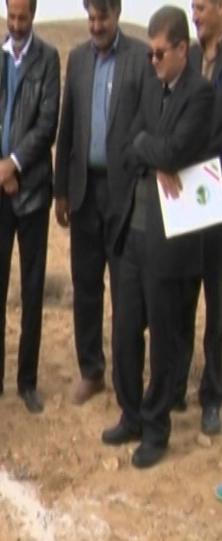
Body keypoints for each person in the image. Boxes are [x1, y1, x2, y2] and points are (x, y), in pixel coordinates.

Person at [104, 5, 214, 468]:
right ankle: (130, 413)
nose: (152, 61)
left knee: (165, 337)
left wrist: (154, 150)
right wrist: (156, 153)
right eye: (149, 53)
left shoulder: (201, 95)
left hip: (170, 239)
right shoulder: (150, 86)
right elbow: (129, 142)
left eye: (159, 53)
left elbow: (176, 149)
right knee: (126, 328)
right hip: (133, 227)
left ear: (181, 50)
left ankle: (156, 427)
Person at [54, 0, 153, 405]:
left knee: (127, 290)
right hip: (84, 191)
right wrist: (61, 189)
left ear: (117, 14)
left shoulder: (139, 59)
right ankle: (91, 370)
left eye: (103, 18)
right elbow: (67, 127)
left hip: (124, 193)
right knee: (86, 284)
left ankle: (127, 375)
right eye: (91, 18)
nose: (96, 26)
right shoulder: (78, 60)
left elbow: (147, 123)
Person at [0, 0, 60, 414]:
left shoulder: (48, 59)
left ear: (33, 16)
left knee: (32, 289)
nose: (17, 25)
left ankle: (27, 381)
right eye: (12, 17)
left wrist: (15, 163)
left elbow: (47, 123)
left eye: (23, 18)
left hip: (33, 192)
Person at [172, 0, 222, 435]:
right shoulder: (186, 56)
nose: (195, 14)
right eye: (192, 7)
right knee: (181, 295)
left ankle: (212, 396)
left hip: (219, 193)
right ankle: (174, 387)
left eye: (202, 6)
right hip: (187, 193)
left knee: (218, 304)